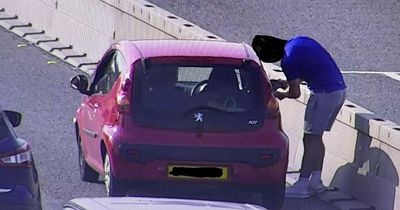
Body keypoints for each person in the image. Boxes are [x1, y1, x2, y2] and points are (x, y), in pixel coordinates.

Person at [252, 35, 346, 198]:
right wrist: (285, 81)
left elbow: (295, 93)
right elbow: (308, 70)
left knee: (310, 139)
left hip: (323, 94)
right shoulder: (298, 42)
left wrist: (281, 94)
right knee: (317, 137)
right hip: (338, 90)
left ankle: (302, 184)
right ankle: (316, 182)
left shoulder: (287, 60)